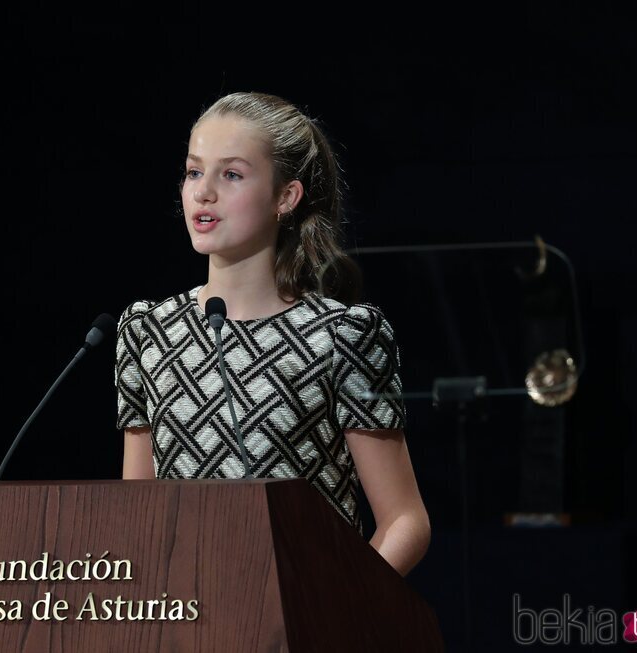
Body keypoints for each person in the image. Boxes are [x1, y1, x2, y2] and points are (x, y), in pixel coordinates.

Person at [114, 91, 430, 577]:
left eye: (232, 174)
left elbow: (405, 520)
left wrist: (336, 613)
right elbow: (139, 515)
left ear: (286, 197)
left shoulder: (342, 336)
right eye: (195, 171)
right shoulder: (148, 330)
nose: (203, 192)